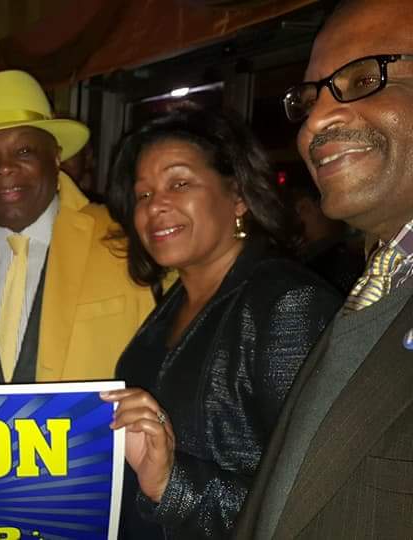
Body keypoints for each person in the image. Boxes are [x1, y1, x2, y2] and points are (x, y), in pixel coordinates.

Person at [99, 108, 342, 539]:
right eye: (142, 194)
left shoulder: (287, 303)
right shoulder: (173, 305)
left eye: (179, 183)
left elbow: (319, 497)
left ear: (238, 195)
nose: (155, 205)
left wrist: (172, 485)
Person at [237, 1, 413, 537]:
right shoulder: (379, 282)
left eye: (363, 79)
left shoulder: (286, 297)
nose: (314, 121)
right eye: (309, 99)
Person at [0, 69, 154, 384]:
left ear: (56, 156)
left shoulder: (124, 236)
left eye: (23, 151)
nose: (4, 168)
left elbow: (158, 357)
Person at [282, 169, 364, 295]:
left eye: (303, 208)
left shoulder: (345, 264)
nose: (298, 219)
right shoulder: (296, 261)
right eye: (294, 212)